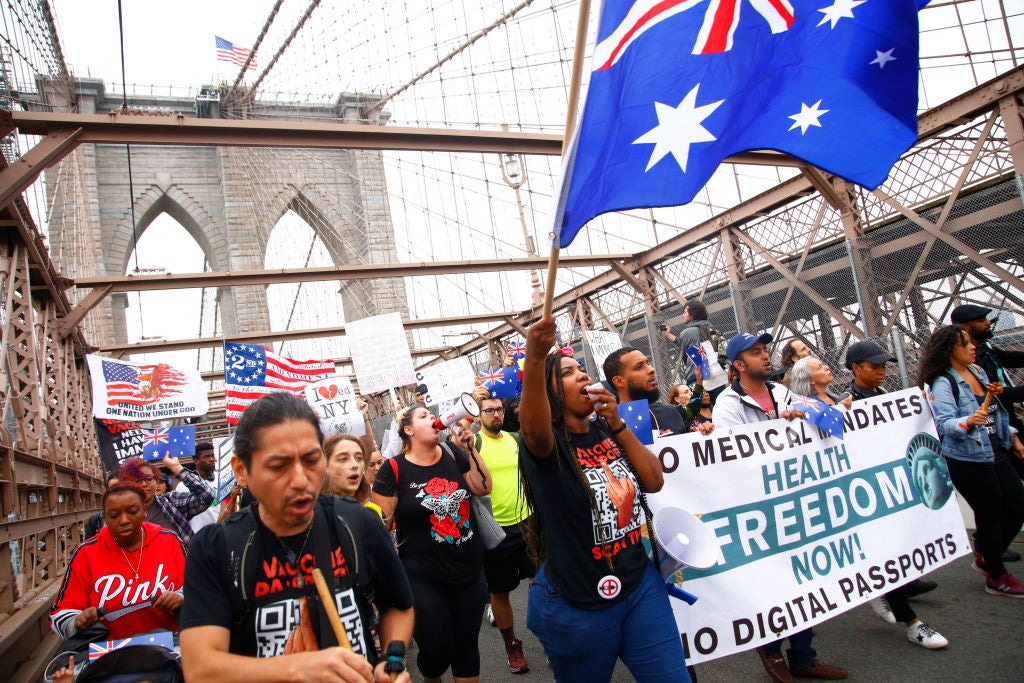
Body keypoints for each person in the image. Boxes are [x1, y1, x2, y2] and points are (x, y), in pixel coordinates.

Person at [179, 392, 415, 683]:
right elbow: (201, 669)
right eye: (279, 466)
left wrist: (391, 660)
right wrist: (298, 668)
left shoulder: (358, 522)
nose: (301, 479)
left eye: (311, 459)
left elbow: (398, 605)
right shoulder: (217, 549)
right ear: (241, 470)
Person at [519, 315, 690, 682]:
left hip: (640, 585)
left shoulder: (606, 427)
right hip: (577, 603)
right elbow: (532, 428)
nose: (581, 374)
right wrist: (534, 359)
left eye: (580, 368)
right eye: (566, 373)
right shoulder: (546, 445)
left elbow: (654, 481)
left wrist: (615, 422)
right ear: (547, 392)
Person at [713, 332, 846, 682]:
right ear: (738, 365)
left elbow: (831, 424)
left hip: (794, 501)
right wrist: (777, 428)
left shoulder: (783, 392)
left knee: (805, 579)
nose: (765, 356)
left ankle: (804, 656)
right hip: (761, 508)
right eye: (755, 353)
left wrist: (809, 412)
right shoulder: (729, 403)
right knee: (773, 584)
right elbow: (735, 457)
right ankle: (771, 651)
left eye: (764, 350)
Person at [372, 405, 492, 683]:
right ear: (409, 430)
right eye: (423, 416)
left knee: (466, 643)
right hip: (422, 574)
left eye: (431, 414)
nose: (433, 418)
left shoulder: (452, 453)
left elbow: (483, 487)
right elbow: (381, 528)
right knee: (436, 648)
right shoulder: (393, 469)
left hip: (468, 568)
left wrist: (469, 450)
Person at [919, 325, 1024, 598]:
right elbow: (944, 424)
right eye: (965, 343)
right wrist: (967, 421)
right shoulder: (944, 382)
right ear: (950, 349)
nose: (972, 347)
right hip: (967, 458)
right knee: (989, 514)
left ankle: (987, 555)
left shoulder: (978, 372)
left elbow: (994, 412)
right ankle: (996, 576)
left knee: (1016, 503)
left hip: (994, 449)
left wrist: (1012, 437)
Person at [844, 340, 939, 600]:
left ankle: (906, 580)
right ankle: (892, 590)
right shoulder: (849, 402)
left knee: (900, 531)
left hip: (891, 470)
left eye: (884, 366)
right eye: (874, 366)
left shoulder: (883, 394)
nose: (881, 371)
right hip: (871, 477)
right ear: (856, 368)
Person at [51, 481, 186, 641]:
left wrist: (181, 597)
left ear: (144, 511)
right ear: (105, 518)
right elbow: (60, 613)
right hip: (109, 654)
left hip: (169, 647)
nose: (124, 520)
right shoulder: (86, 553)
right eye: (114, 515)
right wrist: (77, 621)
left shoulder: (169, 540)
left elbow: (199, 589)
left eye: (132, 511)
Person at [475, 396, 534, 674]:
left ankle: (552, 635)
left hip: (528, 523)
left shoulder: (514, 438)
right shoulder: (474, 444)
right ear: (479, 415)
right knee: (500, 593)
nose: (496, 415)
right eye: (489, 411)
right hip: (495, 531)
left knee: (545, 581)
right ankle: (512, 645)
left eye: (499, 410)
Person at [953, 304, 1024, 515]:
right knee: (1004, 499)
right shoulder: (970, 364)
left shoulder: (988, 349)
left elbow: (1011, 358)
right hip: (998, 432)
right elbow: (993, 396)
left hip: (1007, 425)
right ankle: (991, 545)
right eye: (981, 321)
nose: (987, 324)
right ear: (967, 327)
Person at [117, 454, 214, 545]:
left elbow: (206, 496)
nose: (144, 484)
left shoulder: (171, 501)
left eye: (149, 479)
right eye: (137, 480)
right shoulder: (119, 514)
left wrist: (177, 468)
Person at [603, 346, 691, 437]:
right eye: (639, 367)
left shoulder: (670, 413)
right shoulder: (607, 427)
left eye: (648, 364)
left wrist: (702, 432)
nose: (651, 369)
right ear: (619, 381)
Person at [323, 434, 384, 521]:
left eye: (359, 458)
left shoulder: (371, 512)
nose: (355, 465)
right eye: (343, 459)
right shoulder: (314, 516)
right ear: (325, 466)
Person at [174, 441, 219, 533]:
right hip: (197, 536)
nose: (211, 459)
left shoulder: (221, 479)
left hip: (222, 534)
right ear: (195, 460)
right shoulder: (182, 486)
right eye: (206, 456)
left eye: (212, 456)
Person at [788, 357, 853, 410]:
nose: (827, 367)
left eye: (823, 364)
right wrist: (840, 409)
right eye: (819, 367)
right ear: (810, 379)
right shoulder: (809, 408)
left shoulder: (834, 397)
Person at [84, 471, 119, 540]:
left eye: (120, 488)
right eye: (112, 489)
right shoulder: (96, 520)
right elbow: (89, 547)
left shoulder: (140, 516)